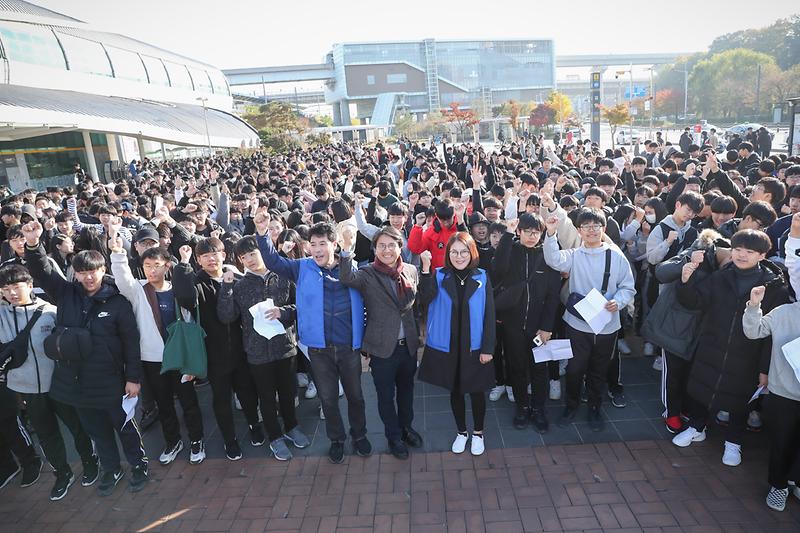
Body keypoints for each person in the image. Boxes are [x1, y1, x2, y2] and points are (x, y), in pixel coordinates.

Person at [21, 220, 147, 497]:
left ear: (103, 270)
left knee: (125, 427)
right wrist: (33, 244)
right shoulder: (66, 294)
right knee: (97, 431)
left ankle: (139, 464)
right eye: (82, 272)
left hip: (111, 380)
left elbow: (131, 342)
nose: (88, 277)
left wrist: (133, 378)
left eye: (93, 271)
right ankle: (111, 468)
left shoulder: (118, 302)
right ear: (75, 274)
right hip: (75, 381)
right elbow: (41, 271)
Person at [254, 214, 371, 464]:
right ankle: (336, 440)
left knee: (356, 396)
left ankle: (359, 435)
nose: (317, 249)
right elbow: (273, 261)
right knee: (328, 398)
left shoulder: (350, 267)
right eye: (313, 244)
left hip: (348, 346)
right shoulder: (302, 267)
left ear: (334, 244)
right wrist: (262, 234)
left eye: (322, 244)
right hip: (319, 349)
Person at [675, 229, 790, 467]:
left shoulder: (773, 287)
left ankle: (733, 441)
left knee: (741, 399)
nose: (741, 255)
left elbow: (772, 334)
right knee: (702, 389)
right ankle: (697, 427)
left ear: (762, 255)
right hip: (712, 345)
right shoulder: (721, 277)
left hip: (749, 353)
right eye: (737, 249)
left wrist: (764, 368)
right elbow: (694, 302)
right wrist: (686, 281)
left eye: (749, 251)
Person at [0, 264, 97, 500]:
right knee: (46, 434)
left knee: (77, 426)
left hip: (60, 384)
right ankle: (62, 473)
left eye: (16, 286)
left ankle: (90, 461)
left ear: (30, 285)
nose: (12, 293)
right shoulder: (2, 316)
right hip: (27, 389)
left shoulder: (50, 312)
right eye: (5, 289)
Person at [109, 239, 205, 466]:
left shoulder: (177, 290)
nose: (152, 270)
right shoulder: (138, 291)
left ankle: (196, 440)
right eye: (148, 266)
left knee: (188, 401)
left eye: (157, 265)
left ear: (167, 266)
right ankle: (173, 441)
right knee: (163, 403)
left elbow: (190, 320)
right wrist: (117, 252)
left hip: (180, 358)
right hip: (153, 360)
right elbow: (122, 279)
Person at [217, 236, 310, 461]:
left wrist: (283, 312)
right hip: (257, 351)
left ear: (262, 252)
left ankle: (292, 427)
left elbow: (301, 306)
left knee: (288, 393)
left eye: (252, 253)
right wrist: (226, 288)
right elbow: (226, 316)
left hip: (285, 346)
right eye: (244, 257)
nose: (249, 259)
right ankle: (275, 437)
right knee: (266, 397)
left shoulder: (283, 276)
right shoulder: (240, 285)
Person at [542, 208, 636, 432]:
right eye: (586, 226)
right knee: (574, 368)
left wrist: (618, 302)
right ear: (579, 230)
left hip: (607, 325)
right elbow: (553, 259)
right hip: (577, 324)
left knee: (599, 369)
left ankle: (595, 407)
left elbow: (628, 287)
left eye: (596, 226)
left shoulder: (616, 256)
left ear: (603, 229)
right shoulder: (575, 255)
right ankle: (571, 405)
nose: (591, 230)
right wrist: (551, 233)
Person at [172, 238, 264, 461]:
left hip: (241, 350)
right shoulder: (197, 283)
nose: (211, 259)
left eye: (215, 254)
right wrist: (183, 264)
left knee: (247, 393)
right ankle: (229, 440)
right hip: (214, 354)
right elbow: (184, 297)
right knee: (221, 399)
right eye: (205, 256)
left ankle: (254, 425)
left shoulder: (235, 278)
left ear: (224, 255)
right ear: (198, 260)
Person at [339, 226, 423, 460]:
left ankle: (406, 428)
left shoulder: (410, 270)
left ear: (400, 247)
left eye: (391, 245)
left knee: (407, 392)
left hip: (408, 346)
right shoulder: (367, 274)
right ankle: (393, 437)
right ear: (375, 249)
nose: (387, 250)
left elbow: (415, 306)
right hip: (382, 349)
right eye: (382, 246)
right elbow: (346, 277)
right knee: (386, 397)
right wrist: (346, 249)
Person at [417, 233, 496, 456]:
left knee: (477, 392)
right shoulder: (439, 275)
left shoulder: (482, 276)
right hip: (448, 346)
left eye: (464, 252)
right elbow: (424, 299)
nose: (459, 257)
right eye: (454, 252)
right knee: (456, 391)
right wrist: (425, 270)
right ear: (448, 254)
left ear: (472, 253)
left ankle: (478, 433)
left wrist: (488, 348)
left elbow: (489, 314)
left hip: (474, 346)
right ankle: (462, 432)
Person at [491, 214, 560, 432]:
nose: (532, 236)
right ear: (519, 232)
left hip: (539, 327)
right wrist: (507, 234)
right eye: (527, 231)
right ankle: (521, 407)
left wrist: (547, 327)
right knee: (517, 367)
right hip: (512, 324)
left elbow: (553, 295)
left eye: (536, 232)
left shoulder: (547, 255)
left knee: (539, 369)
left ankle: (539, 409)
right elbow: (497, 269)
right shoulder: (510, 250)